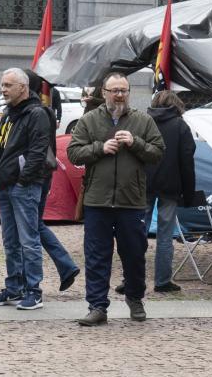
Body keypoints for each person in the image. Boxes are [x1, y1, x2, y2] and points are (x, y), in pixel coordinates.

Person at [67, 72, 164, 326]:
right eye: (114, 90)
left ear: (129, 93)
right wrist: (100, 148)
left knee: (134, 254)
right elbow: (74, 153)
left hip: (131, 202)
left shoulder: (143, 121)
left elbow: (158, 153)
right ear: (105, 93)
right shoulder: (89, 120)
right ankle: (97, 306)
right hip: (97, 201)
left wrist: (136, 143)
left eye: (123, 90)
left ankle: (135, 298)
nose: (119, 95)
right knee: (97, 256)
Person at [0, 68, 54, 310]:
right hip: (5, 186)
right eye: (2, 84)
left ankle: (34, 291)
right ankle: (14, 287)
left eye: (7, 85)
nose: (2, 89)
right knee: (10, 241)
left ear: (23, 88)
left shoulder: (36, 113)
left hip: (23, 187)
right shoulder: (9, 112)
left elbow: (37, 153)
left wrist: (23, 181)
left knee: (29, 241)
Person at [24, 70, 80, 293]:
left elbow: (37, 150)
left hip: (36, 176)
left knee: (31, 227)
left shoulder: (38, 112)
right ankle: (66, 266)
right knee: (35, 225)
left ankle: (63, 267)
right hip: (42, 175)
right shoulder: (43, 111)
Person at [144, 90, 198, 293]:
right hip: (171, 187)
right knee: (165, 237)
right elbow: (187, 163)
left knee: (137, 234)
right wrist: (188, 193)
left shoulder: (144, 122)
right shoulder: (180, 126)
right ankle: (162, 280)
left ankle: (133, 278)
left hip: (144, 184)